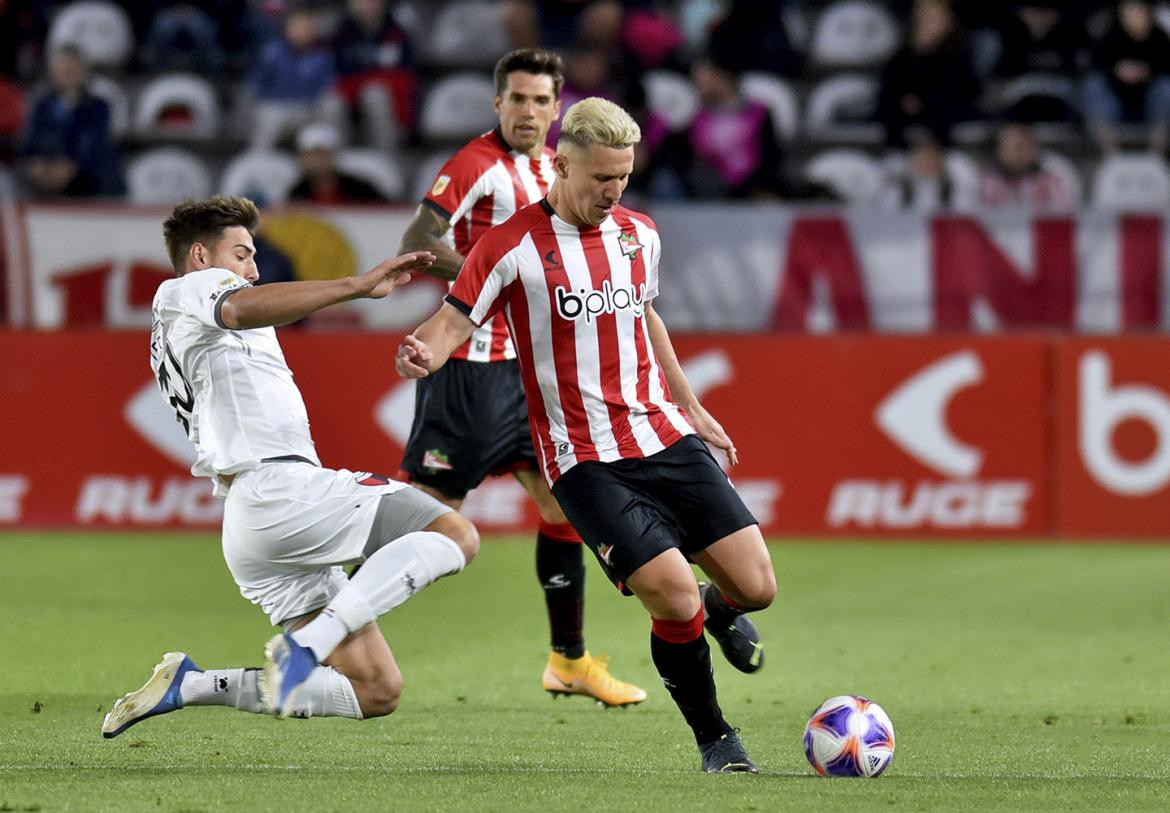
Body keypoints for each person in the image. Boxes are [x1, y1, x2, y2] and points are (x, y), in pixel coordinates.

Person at [396, 97, 776, 773]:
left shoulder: (639, 233)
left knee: (757, 587)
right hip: (584, 460)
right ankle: (716, 736)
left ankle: (721, 612)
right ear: (562, 164)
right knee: (673, 594)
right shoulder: (509, 244)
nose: (613, 191)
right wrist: (421, 351)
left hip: (662, 434)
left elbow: (646, 317)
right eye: (601, 177)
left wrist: (691, 407)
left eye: (623, 177)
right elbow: (453, 323)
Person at [101, 196, 478, 737]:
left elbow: (243, 313)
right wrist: (354, 285)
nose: (253, 269)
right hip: (279, 490)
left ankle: (191, 685)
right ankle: (308, 644)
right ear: (201, 256)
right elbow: (237, 308)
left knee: (375, 689)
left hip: (253, 521)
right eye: (242, 254)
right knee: (454, 533)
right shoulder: (188, 288)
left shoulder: (189, 320)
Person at [395, 49, 645, 708]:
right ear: (496, 104)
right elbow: (417, 242)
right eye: (518, 100)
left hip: (530, 371)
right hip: (471, 369)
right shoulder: (477, 165)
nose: (529, 112)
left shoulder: (555, 169)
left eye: (541, 101)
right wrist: (495, 275)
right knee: (430, 521)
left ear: (557, 109)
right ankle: (327, 615)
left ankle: (568, 659)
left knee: (564, 504)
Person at [19, 44, 124, 198]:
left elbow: (96, 145)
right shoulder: (42, 106)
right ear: (52, 72)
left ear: (84, 71)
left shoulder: (99, 107)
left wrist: (72, 167)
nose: (67, 73)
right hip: (45, 183)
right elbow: (31, 141)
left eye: (72, 69)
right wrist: (35, 163)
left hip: (89, 185)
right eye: (63, 69)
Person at [973, 121, 1080, 211]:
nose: (1017, 154)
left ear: (1034, 148)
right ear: (998, 150)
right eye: (1010, 148)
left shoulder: (1054, 175)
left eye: (1022, 147)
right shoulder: (984, 179)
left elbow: (1066, 215)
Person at [288, 121, 387, 204]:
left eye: (322, 154)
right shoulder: (296, 195)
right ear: (301, 159)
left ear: (334, 156)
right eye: (311, 154)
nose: (317, 160)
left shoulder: (360, 189)